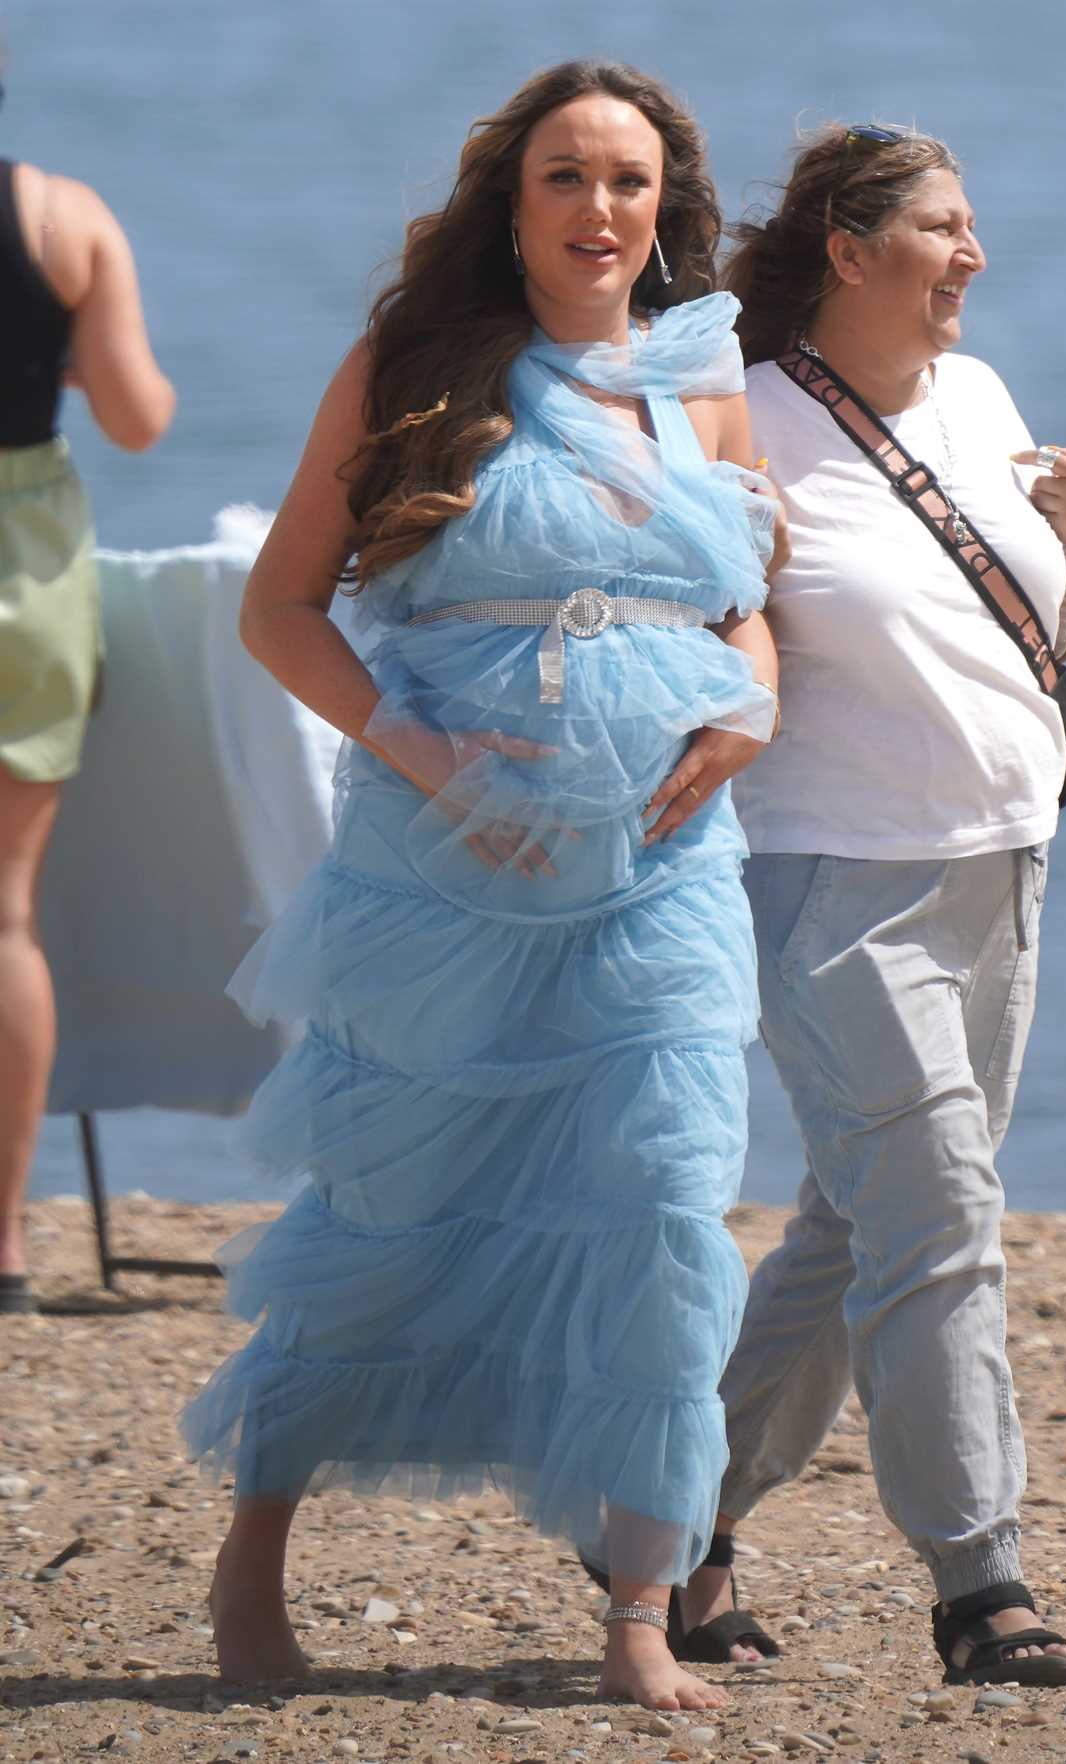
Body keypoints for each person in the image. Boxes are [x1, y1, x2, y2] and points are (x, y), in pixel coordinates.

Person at [182, 60, 782, 1711]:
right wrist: (435, 761)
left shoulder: (702, 382)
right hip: (442, 871)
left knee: (666, 1209)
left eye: (633, 181)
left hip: (663, 867)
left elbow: (745, 602)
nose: (603, 208)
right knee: (389, 1212)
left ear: (670, 210)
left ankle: (640, 1613)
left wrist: (764, 691)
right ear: (509, 207)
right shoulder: (417, 365)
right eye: (568, 178)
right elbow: (282, 610)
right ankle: (253, 1562)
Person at [672, 124, 1066, 1686]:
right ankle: (979, 1581)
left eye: (971, 227)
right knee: (939, 1218)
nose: (974, 256)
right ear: (849, 251)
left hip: (1002, 868)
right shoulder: (746, 425)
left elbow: (1016, 635)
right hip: (832, 884)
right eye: (944, 229)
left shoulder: (980, 393)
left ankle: (669, 1531)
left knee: (854, 1223)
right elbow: (693, 639)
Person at [0, 127, 174, 1314]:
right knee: (6, 913)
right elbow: (136, 418)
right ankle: (3, 1242)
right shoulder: (63, 220)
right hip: (25, 570)